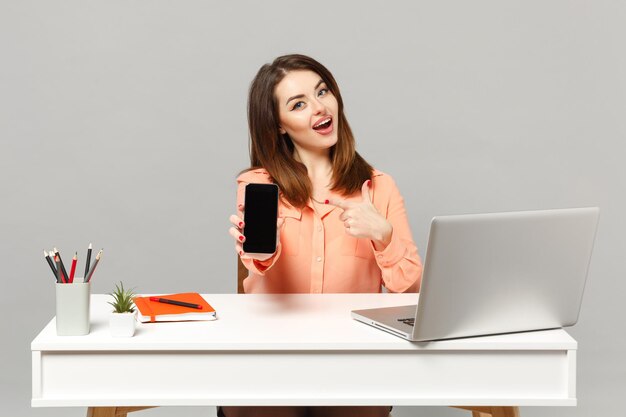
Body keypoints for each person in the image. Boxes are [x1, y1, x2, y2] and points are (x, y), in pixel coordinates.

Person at [223, 54, 423, 417]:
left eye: (322, 91)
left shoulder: (379, 188)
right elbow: (256, 264)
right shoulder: (258, 185)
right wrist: (258, 252)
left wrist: (384, 236)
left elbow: (411, 293)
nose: (319, 107)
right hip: (269, 353)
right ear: (279, 126)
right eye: (298, 104)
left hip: (354, 357)